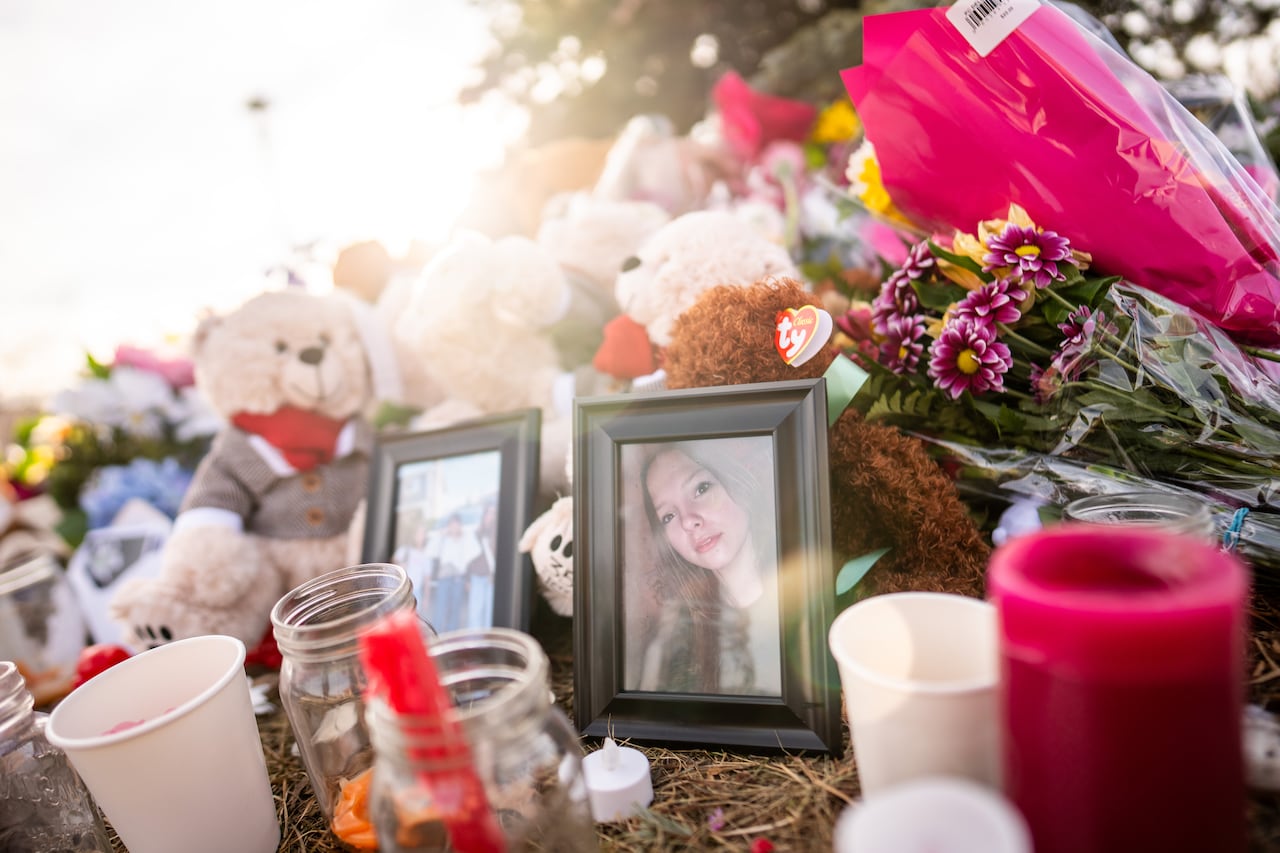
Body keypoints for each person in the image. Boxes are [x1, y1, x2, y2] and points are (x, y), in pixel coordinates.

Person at [633, 438, 781, 696]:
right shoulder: (680, 640)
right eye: (668, 516)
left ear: (737, 481)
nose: (689, 520)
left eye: (701, 489)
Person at [425, 513, 481, 634]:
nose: (454, 527)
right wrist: (441, 534)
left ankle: (451, 640)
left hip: (458, 579)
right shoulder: (443, 540)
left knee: (455, 612)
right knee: (440, 611)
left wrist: (464, 533)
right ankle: (436, 637)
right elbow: (429, 551)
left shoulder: (466, 539)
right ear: (449, 526)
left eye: (457, 524)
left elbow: (476, 551)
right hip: (444, 579)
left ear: (460, 525)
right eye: (452, 524)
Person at [392, 520, 435, 620]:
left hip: (417, 592)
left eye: (423, 533)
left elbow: (427, 579)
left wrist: (426, 598)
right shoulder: (405, 550)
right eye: (419, 533)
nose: (421, 536)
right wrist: (399, 565)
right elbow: (393, 564)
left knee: (413, 619)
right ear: (414, 535)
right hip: (402, 590)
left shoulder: (426, 556)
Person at [465, 501, 498, 629]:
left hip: (491, 579)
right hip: (477, 577)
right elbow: (468, 558)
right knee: (475, 613)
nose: (491, 516)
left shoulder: (497, 534)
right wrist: (467, 579)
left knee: (489, 614)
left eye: (494, 514)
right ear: (484, 516)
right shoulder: (476, 534)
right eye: (489, 513)